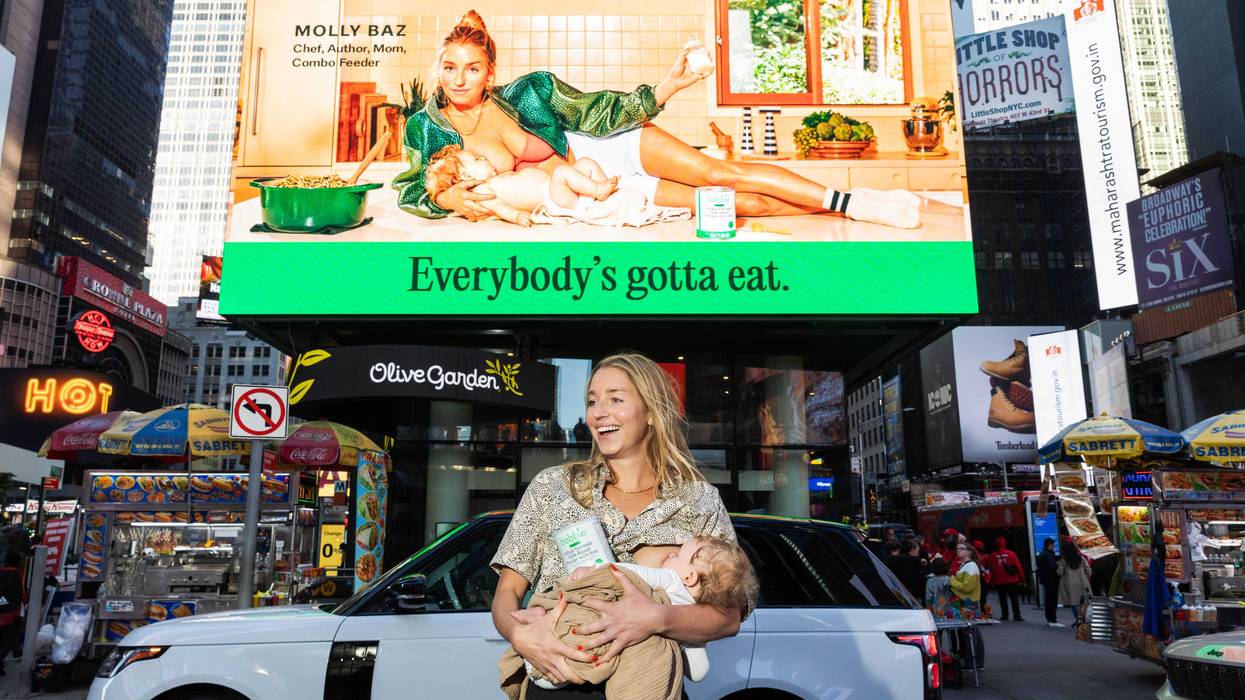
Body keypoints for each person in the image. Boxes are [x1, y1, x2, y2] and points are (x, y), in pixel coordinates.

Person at [396, 11, 921, 226]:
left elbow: (603, 109)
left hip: (606, 152)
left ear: (490, 73)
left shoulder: (530, 90)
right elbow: (412, 186)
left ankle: (855, 202)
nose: (459, 78)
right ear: (439, 70)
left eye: (472, 68)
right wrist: (447, 196)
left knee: (719, 173)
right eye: (449, 68)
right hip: (601, 195)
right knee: (723, 207)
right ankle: (836, 214)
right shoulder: (425, 124)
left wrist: (670, 85)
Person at [490, 353, 751, 698]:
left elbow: (729, 618)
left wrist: (655, 618)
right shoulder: (552, 487)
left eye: (616, 399)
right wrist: (519, 634)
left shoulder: (698, 499)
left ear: (652, 412)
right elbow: (507, 592)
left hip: (648, 682)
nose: (598, 413)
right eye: (592, 401)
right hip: (560, 681)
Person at [506, 536, 758, 693]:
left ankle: (539, 621)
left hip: (576, 651)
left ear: (689, 577)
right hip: (624, 675)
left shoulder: (669, 580)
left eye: (678, 554)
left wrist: (592, 572)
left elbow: (623, 572)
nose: (670, 554)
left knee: (573, 623)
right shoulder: (694, 621)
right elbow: (700, 671)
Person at [424, 144, 619, 225]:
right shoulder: (481, 192)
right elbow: (500, 208)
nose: (483, 157)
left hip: (557, 189)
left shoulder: (494, 180)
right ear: (466, 175)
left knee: (585, 163)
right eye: (477, 159)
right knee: (562, 172)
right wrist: (516, 216)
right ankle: (597, 190)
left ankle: (604, 192)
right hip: (552, 199)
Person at [950, 543, 985, 670]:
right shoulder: (967, 565)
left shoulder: (970, 566)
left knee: (969, 633)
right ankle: (976, 662)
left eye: (962, 549)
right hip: (969, 602)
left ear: (969, 552)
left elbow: (967, 587)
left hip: (968, 603)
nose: (958, 551)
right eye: (957, 548)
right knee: (972, 632)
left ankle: (972, 662)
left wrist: (952, 580)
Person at [1058, 541, 1092, 625]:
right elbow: (1089, 571)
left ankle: (1078, 619)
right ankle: (1083, 618)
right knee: (1083, 602)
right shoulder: (1081, 558)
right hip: (1082, 582)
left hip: (1070, 584)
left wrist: (1058, 565)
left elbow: (1059, 572)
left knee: (1074, 603)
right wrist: (1086, 578)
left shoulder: (1064, 559)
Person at [990, 537, 1024, 622]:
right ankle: (1017, 616)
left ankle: (1005, 615)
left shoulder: (992, 555)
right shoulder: (1012, 554)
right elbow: (1018, 566)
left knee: (1002, 599)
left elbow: (988, 566)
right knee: (1014, 598)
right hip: (1012, 580)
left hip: (999, 581)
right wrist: (1022, 577)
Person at [0, 553, 21, 676]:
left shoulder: (1, 573)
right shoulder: (18, 574)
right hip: (11, 613)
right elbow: (20, 595)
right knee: (10, 640)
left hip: (1, 610)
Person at [1036, 537, 1062, 627]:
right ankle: (1053, 620)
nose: (1054, 547)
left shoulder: (1041, 554)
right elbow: (1053, 567)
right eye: (1053, 545)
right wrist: (1057, 564)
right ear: (1050, 545)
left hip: (1045, 579)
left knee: (1048, 600)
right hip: (1051, 579)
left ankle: (1049, 619)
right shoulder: (1048, 554)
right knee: (1052, 600)